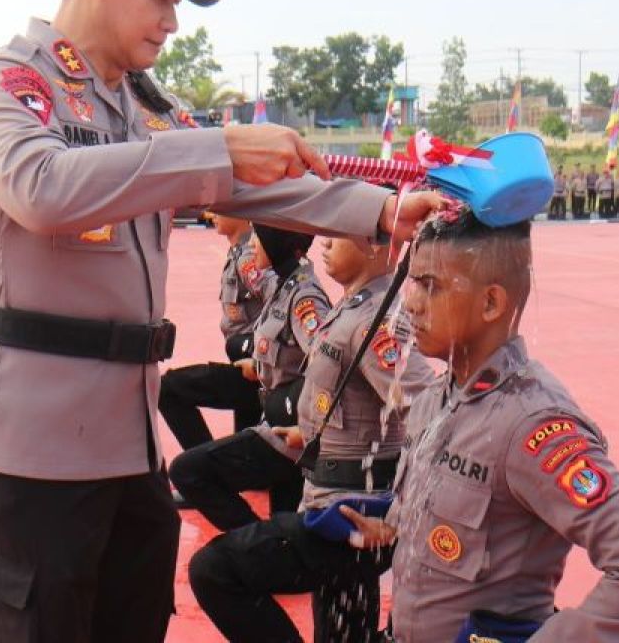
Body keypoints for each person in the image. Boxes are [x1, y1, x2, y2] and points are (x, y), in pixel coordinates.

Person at [0, 0, 445, 643]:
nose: (170, 22)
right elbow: (42, 190)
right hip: (35, 451)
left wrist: (381, 210)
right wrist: (214, 149)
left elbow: (258, 183)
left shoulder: (146, 108)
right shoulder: (12, 87)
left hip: (127, 443)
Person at [342, 207, 619, 641]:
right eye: (412, 281)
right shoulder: (437, 398)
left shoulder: (531, 425)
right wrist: (395, 527)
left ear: (491, 302)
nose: (409, 302)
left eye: (430, 286)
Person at [188, 236, 434, 643]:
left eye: (341, 235)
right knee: (342, 630)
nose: (326, 244)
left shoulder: (378, 322)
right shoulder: (353, 308)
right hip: (331, 495)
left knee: (215, 570)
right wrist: (311, 433)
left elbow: (429, 414)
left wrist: (403, 511)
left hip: (353, 510)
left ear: (377, 246)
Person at [170, 225, 328, 530]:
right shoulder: (284, 283)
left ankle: (254, 544)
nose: (252, 243)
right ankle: (264, 548)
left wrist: (306, 429)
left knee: (189, 470)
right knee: (283, 526)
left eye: (259, 236)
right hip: (274, 413)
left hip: (288, 429)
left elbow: (324, 367)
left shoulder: (303, 296)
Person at [158, 214, 267, 456]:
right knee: (247, 452)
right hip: (246, 363)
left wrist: (262, 359)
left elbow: (280, 302)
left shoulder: (249, 257)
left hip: (257, 371)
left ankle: (206, 467)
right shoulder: (240, 251)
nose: (208, 215)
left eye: (217, 210)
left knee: (168, 389)